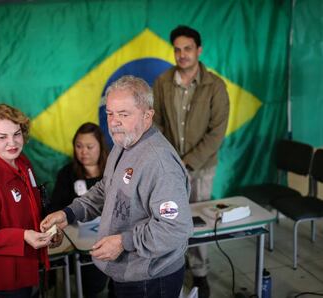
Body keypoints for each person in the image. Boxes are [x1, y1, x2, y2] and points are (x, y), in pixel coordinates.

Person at [41, 75, 193, 298]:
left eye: (124, 114)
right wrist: (70, 213)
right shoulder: (124, 143)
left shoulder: (159, 164)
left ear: (147, 115)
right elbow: (107, 188)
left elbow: (175, 228)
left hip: (151, 279)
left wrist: (124, 241)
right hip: (126, 271)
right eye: (110, 113)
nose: (114, 122)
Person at [153, 25, 230, 297]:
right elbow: (157, 124)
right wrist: (171, 161)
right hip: (170, 168)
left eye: (188, 49)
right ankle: (176, 264)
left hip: (202, 168)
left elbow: (216, 132)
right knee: (171, 217)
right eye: (177, 49)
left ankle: (200, 274)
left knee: (197, 220)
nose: (182, 54)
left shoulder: (215, 86)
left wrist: (188, 162)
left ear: (199, 50)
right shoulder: (162, 82)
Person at [0, 104, 59, 298]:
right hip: (5, 279)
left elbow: (31, 206)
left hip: (29, 267)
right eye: (2, 137)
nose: (12, 143)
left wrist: (48, 229)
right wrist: (23, 236)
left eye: (16, 134)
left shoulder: (22, 161)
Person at [51, 122, 110, 298]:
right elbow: (56, 208)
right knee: (92, 285)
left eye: (89, 146)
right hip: (80, 244)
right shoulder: (67, 174)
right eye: (79, 146)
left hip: (112, 238)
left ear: (101, 146)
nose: (83, 151)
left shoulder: (113, 172)